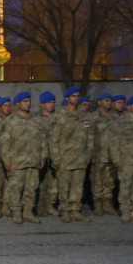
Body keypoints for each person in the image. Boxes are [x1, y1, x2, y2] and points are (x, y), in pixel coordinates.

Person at [0, 92, 48, 224]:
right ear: (18, 104)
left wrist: (43, 157)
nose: (28, 103)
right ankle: (16, 211)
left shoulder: (36, 120)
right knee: (16, 188)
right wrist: (7, 161)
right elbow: (4, 143)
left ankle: (28, 212)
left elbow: (43, 140)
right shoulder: (10, 121)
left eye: (29, 101)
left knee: (31, 188)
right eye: (25, 101)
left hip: (34, 160)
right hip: (17, 161)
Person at [51, 87, 93, 223]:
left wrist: (88, 154)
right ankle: (65, 210)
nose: (76, 98)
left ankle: (75, 210)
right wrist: (56, 158)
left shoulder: (84, 115)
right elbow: (54, 139)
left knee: (78, 186)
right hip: (65, 157)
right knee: (64, 185)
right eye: (73, 96)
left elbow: (90, 137)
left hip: (81, 157)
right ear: (67, 98)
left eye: (78, 96)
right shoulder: (60, 115)